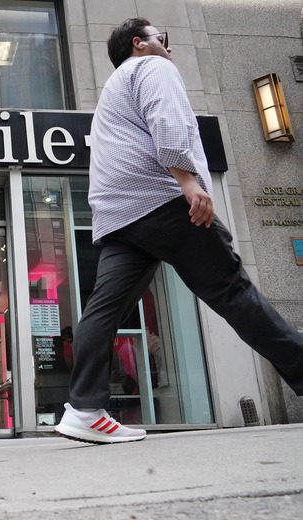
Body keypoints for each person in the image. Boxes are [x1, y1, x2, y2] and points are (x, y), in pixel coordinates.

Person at [55, 18, 303, 444]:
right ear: (140, 44)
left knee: (104, 310)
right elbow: (165, 121)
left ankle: (83, 408)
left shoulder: (112, 90)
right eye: (161, 39)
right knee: (233, 290)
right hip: (163, 202)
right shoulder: (152, 68)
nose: (169, 48)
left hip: (119, 217)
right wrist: (188, 182)